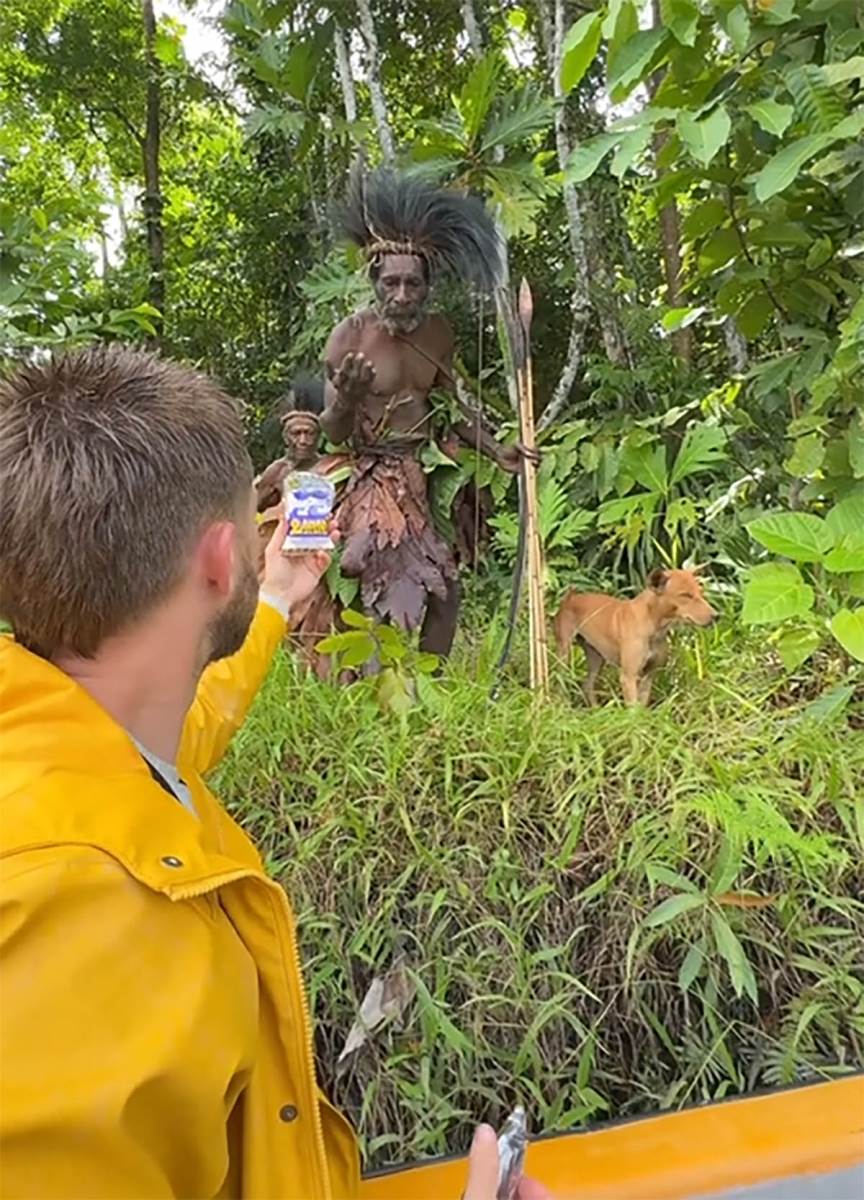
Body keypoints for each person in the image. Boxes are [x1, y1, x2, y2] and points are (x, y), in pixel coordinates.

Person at [0, 344, 547, 1199]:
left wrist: (279, 599)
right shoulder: (73, 913)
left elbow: (183, 728)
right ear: (221, 558)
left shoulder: (59, 744)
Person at [321, 169, 534, 659]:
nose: (401, 296)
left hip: (418, 474)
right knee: (365, 568)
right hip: (370, 474)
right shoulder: (348, 338)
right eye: (391, 283)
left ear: (427, 285)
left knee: (446, 591)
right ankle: (372, 686)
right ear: (374, 281)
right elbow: (334, 433)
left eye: (412, 285)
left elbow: (451, 407)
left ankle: (430, 682)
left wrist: (495, 448)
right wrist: (348, 401)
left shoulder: (438, 334)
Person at [254, 375, 351, 677]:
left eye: (309, 433)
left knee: (322, 623)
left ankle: (325, 678)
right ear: (286, 437)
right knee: (285, 618)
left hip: (320, 560)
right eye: (297, 434)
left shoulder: (332, 467)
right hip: (286, 558)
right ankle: (285, 677)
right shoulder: (277, 471)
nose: (304, 440)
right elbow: (252, 507)